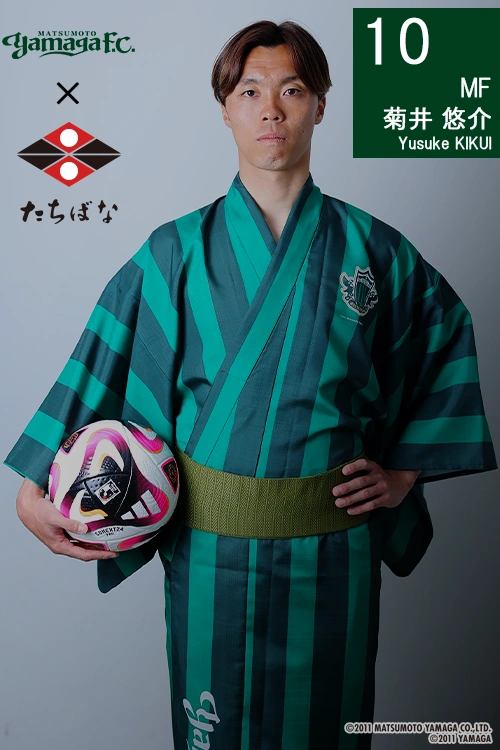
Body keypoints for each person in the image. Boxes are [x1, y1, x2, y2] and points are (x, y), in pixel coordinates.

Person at [5, 19, 497, 750]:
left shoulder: (376, 252)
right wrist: (34, 485)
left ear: (321, 105)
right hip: (210, 555)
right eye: (250, 91)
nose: (271, 110)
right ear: (225, 109)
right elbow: (104, 358)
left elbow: (443, 335)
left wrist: (404, 471)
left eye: (292, 90)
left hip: (333, 551)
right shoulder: (173, 253)